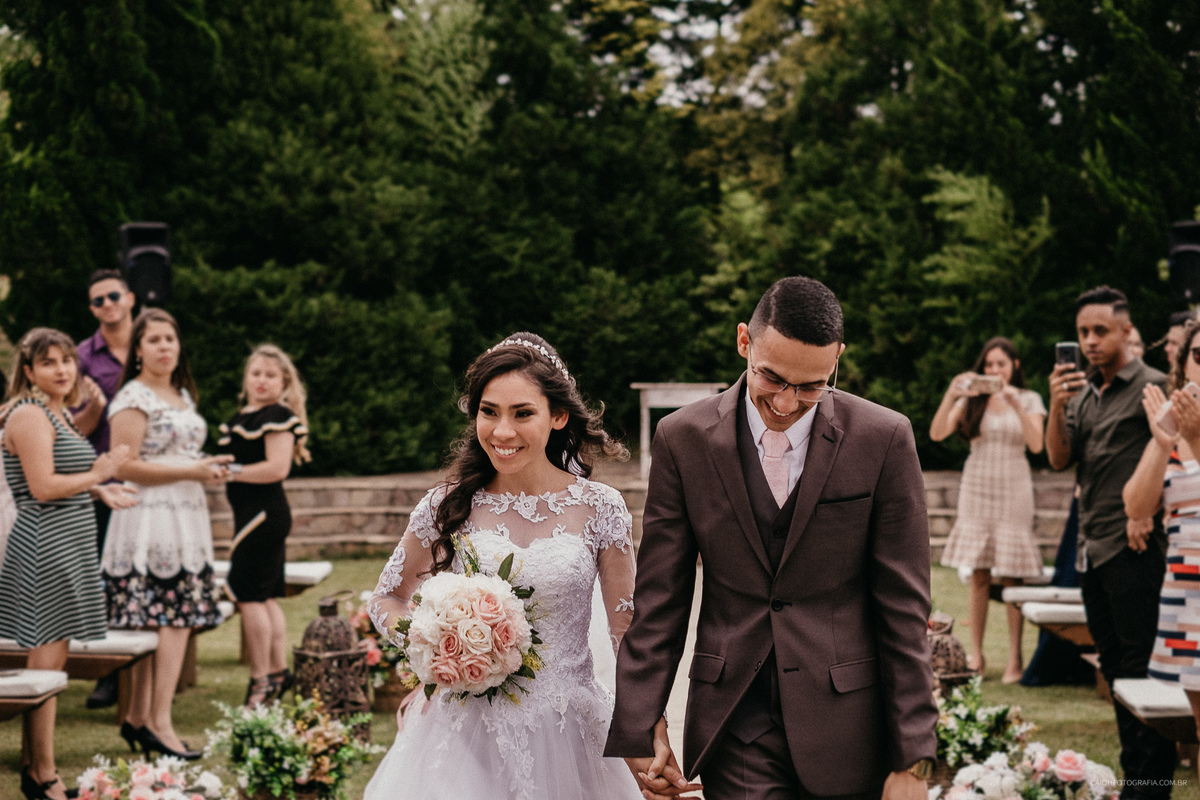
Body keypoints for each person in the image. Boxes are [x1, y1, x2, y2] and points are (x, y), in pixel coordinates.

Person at [606, 277, 938, 800]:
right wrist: (639, 723)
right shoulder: (682, 439)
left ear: (837, 359)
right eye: (772, 378)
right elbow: (661, 599)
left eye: (811, 387)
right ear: (744, 341)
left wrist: (914, 756)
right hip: (735, 721)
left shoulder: (884, 439)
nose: (786, 402)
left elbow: (904, 606)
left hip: (850, 725)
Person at [363, 332, 643, 800]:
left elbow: (627, 633)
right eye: (488, 411)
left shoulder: (601, 508)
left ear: (559, 416)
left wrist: (646, 727)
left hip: (569, 731)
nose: (502, 432)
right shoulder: (446, 505)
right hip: (464, 737)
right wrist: (434, 645)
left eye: (522, 413)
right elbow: (387, 598)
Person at [1046, 285, 1175, 794]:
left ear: (1127, 330)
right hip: (1092, 552)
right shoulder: (1083, 394)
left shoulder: (1154, 387)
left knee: (1142, 674)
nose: (1090, 341)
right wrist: (1057, 405)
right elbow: (1058, 458)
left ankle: (1150, 788)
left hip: (1136, 552)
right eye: (1083, 332)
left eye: (1101, 330)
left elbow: (1180, 453)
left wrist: (1150, 511)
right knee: (1116, 673)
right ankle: (1135, 781)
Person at [0, 328, 135, 800]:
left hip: (69, 545)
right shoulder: (28, 414)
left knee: (54, 662)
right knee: (45, 664)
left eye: (67, 360)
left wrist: (99, 489)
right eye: (48, 362)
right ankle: (43, 774)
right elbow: (41, 488)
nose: (62, 370)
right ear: (29, 370)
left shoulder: (57, 412)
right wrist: (98, 472)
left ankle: (36, 767)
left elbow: (62, 478)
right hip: (46, 547)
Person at [100, 308, 231, 760]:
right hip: (148, 520)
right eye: (153, 339)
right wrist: (192, 470)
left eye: (170, 339)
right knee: (168, 620)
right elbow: (124, 465)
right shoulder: (132, 397)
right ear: (137, 349)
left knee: (169, 620)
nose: (164, 347)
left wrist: (204, 466)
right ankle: (159, 722)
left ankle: (139, 718)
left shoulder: (181, 395)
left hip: (184, 517)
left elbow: (178, 455)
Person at [929, 337, 1046, 683]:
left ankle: (1015, 659)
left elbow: (1037, 444)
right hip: (977, 485)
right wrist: (952, 394)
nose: (994, 370)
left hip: (1014, 487)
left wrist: (1015, 403)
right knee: (978, 573)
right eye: (989, 364)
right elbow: (937, 433)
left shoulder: (1030, 399)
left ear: (1015, 366)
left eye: (1001, 364)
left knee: (1013, 574)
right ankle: (976, 656)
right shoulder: (971, 399)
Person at [216, 344, 310, 706]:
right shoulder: (241, 418)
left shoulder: (277, 415)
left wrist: (232, 470)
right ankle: (277, 672)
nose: (261, 380)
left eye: (270, 375)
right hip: (253, 517)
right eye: (256, 373)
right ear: (246, 378)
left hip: (262, 517)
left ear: (283, 382)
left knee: (248, 595)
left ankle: (261, 680)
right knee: (265, 595)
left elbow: (276, 468)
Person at [1124, 317, 1200, 739]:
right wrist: (1161, 443)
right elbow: (1136, 505)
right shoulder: (1173, 427)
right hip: (1186, 596)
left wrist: (1197, 439)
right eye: (1199, 355)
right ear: (1184, 363)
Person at [72, 269, 138, 709]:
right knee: (104, 579)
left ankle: (149, 674)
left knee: (142, 576)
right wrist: (96, 407)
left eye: (113, 296)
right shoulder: (81, 357)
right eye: (98, 301)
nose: (107, 305)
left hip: (149, 482)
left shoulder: (153, 344)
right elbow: (73, 430)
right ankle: (108, 674)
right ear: (92, 309)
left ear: (130, 298)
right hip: (102, 484)